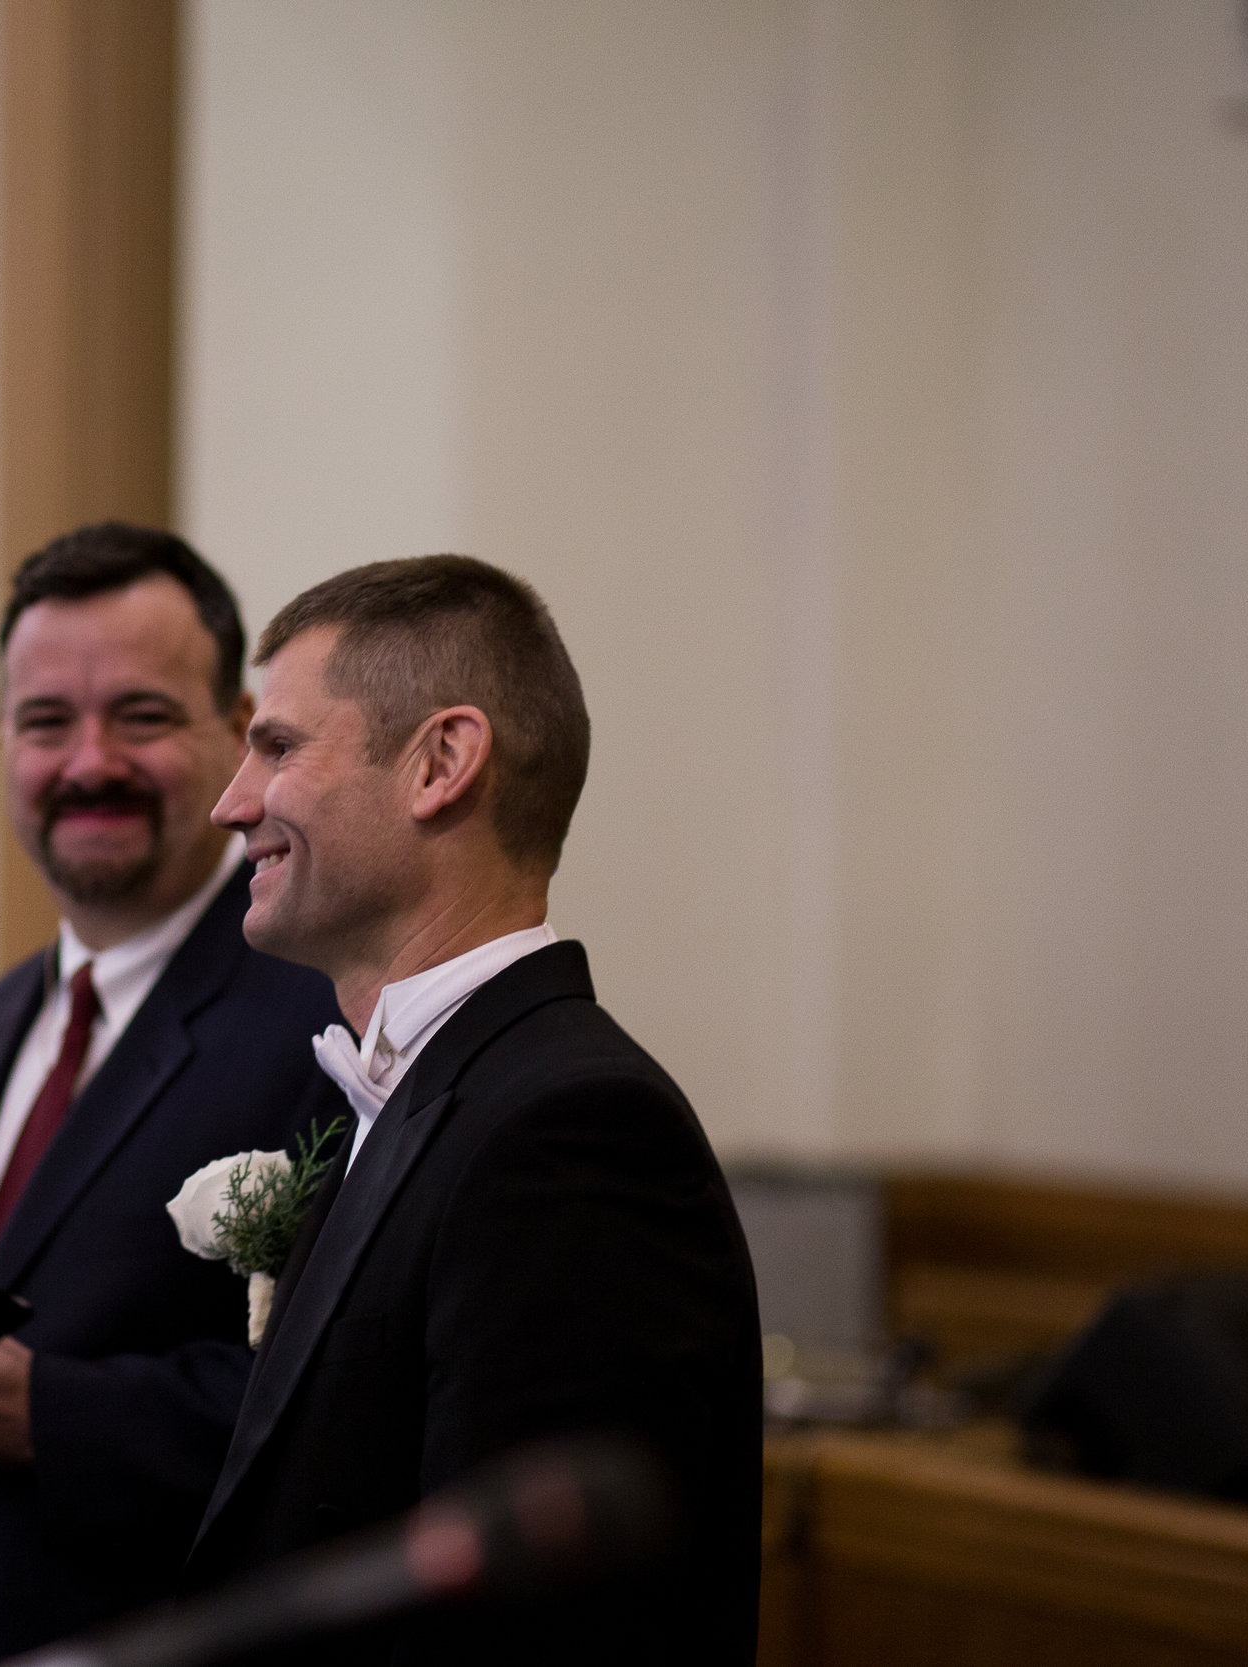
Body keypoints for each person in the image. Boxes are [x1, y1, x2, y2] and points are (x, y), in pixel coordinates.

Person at [186, 555, 762, 1664]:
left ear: (440, 762)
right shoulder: (422, 1090)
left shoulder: (571, 1131)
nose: (231, 802)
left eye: (277, 745)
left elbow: (541, 1627)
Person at [0, 523, 345, 1667]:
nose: (88, 761)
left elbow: (331, 1415)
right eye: (45, 720)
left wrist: (46, 1416)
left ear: (236, 730)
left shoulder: (319, 1023)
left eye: (141, 715)